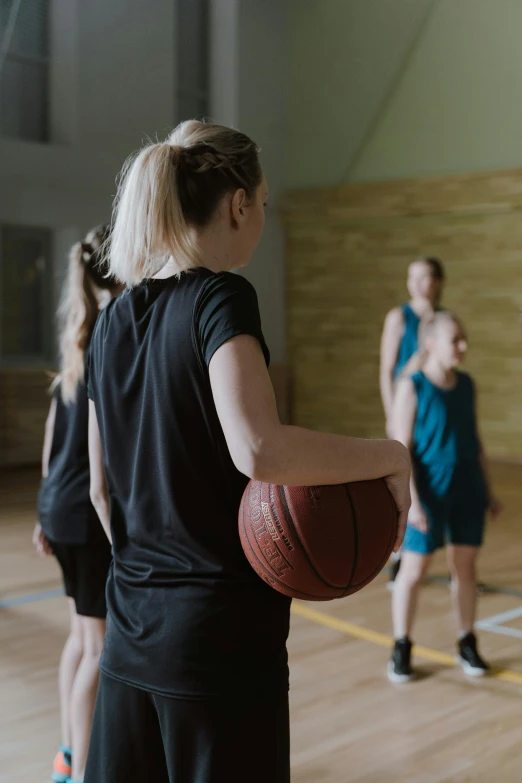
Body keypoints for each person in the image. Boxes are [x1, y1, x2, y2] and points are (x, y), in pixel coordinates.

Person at [83, 120, 411, 783]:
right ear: (238, 204)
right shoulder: (220, 297)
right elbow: (259, 449)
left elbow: (101, 487)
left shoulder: (112, 320)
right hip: (214, 646)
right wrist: (390, 454)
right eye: (263, 203)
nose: (261, 216)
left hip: (128, 637)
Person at [33, 226, 121, 783]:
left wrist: (46, 507)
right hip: (85, 515)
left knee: (79, 636)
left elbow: (50, 434)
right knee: (97, 648)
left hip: (56, 506)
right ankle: (84, 770)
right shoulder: (115, 335)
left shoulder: (78, 339)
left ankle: (68, 753)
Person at [387, 311, 501, 683]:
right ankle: (401, 645)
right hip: (429, 488)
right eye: (456, 340)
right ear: (432, 343)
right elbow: (402, 449)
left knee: (465, 568)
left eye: (464, 338)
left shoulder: (466, 384)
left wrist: (489, 490)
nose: (463, 346)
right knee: (414, 570)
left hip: (466, 485)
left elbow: (476, 440)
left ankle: (467, 641)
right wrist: (414, 501)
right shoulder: (413, 386)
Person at [380, 256, 445, 586]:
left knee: (430, 479)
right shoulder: (398, 317)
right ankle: (398, 553)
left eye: (424, 277)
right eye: (412, 277)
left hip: (432, 410)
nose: (417, 283)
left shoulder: (442, 320)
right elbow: (386, 369)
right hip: (405, 407)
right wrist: (392, 414)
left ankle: (422, 548)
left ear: (438, 281)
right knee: (403, 479)